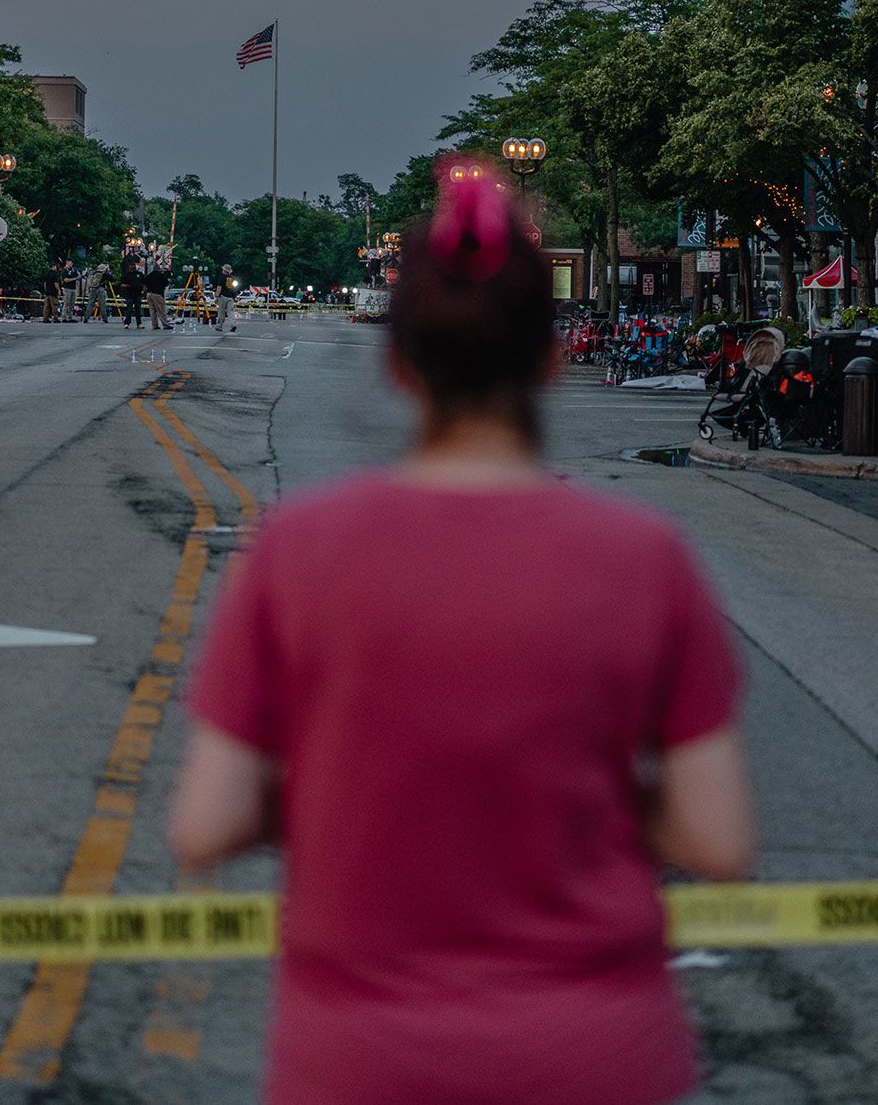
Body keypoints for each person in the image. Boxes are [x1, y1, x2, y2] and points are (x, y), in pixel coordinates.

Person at [170, 161, 754, 1105]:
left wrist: (361, 788)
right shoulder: (645, 560)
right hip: (593, 1056)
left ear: (398, 363)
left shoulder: (300, 553)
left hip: (359, 1058)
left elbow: (206, 824)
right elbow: (717, 837)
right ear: (551, 358)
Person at [216, 263, 238, 333]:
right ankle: (233, 324)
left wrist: (217, 296)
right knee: (231, 312)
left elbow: (219, 287)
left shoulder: (222, 277)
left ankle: (219, 326)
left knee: (221, 312)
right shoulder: (232, 278)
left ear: (224, 270)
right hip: (230, 297)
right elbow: (234, 288)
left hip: (222, 297)